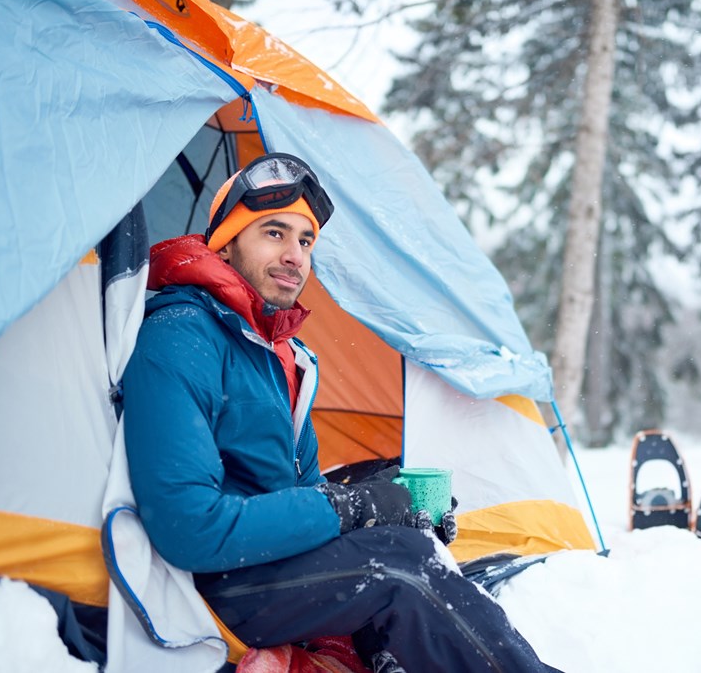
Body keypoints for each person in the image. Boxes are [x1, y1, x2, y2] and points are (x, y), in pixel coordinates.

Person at [121, 152, 559, 673]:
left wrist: (382, 503)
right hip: (214, 581)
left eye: (305, 241)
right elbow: (187, 527)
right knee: (399, 568)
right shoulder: (180, 336)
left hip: (266, 560)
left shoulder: (279, 354)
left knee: (393, 507)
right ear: (227, 241)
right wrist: (350, 510)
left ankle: (390, 655)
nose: (295, 256)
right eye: (274, 233)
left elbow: (304, 492)